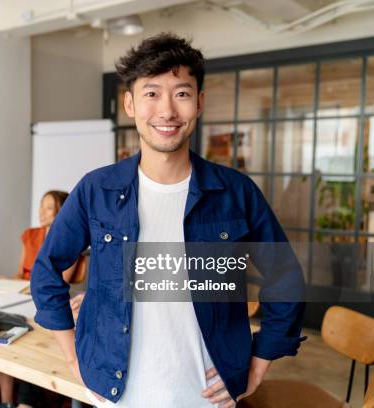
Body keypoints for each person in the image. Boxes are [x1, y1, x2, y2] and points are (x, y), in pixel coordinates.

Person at [31, 33, 305, 408]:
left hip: (207, 396)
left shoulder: (235, 192)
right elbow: (47, 270)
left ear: (199, 102)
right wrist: (73, 358)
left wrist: (257, 365)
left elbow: (286, 279)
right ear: (129, 103)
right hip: (114, 395)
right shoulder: (97, 190)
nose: (167, 111)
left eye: (181, 93)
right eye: (151, 93)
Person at [0, 191, 76, 408]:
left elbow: (59, 282)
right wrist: (9, 289)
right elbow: (18, 273)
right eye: (41, 206)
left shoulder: (69, 241)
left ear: (62, 211)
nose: (42, 212)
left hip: (44, 300)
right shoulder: (30, 235)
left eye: (49, 207)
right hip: (21, 297)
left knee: (21, 337)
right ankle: (2, 396)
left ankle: (17, 398)